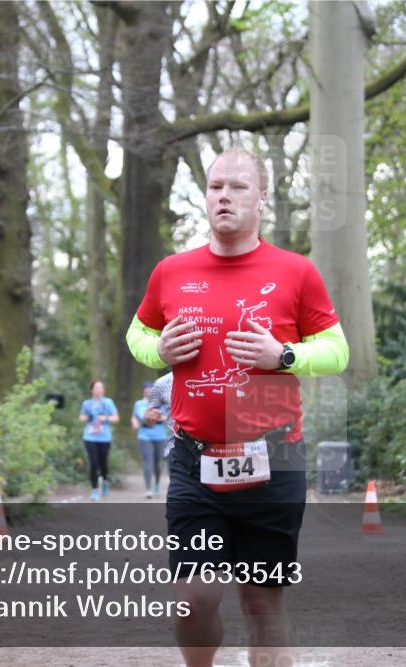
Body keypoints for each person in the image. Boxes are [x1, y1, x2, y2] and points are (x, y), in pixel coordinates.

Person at [126, 147, 349, 667]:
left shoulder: (295, 272)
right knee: (190, 600)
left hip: (275, 459)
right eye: (215, 186)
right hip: (194, 459)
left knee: (261, 601)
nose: (223, 195)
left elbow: (338, 350)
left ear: (262, 199)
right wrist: (158, 351)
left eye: (237, 187)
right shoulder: (172, 272)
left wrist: (285, 355)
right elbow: (138, 333)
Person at [80, 379, 119, 501]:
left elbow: (116, 418)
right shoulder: (87, 403)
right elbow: (81, 417)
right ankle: (95, 490)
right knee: (93, 463)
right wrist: (87, 417)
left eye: (101, 388)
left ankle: (105, 481)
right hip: (90, 437)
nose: (99, 390)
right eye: (96, 388)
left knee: (103, 464)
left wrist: (104, 418)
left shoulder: (108, 402)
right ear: (91, 390)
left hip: (104, 438)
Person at [132, 380, 167, 498]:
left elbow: (167, 416)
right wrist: (156, 417)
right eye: (146, 389)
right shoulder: (139, 404)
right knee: (148, 462)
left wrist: (155, 417)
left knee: (158, 463)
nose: (148, 391)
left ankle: (157, 484)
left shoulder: (162, 403)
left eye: (151, 389)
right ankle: (148, 489)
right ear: (143, 391)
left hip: (160, 435)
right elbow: (142, 418)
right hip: (144, 435)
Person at [145, 371, 174, 459]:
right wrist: (150, 417)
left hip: (209, 446)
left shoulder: (213, 377)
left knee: (157, 462)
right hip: (174, 445)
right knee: (149, 460)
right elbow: (148, 419)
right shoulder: (162, 383)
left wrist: (163, 418)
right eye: (146, 389)